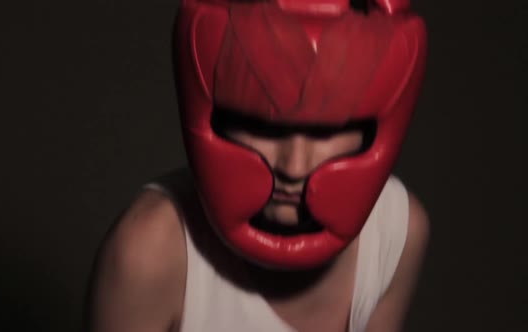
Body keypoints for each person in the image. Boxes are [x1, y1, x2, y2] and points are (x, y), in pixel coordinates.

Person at [88, 0, 430, 331]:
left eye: (327, 130)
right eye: (262, 126)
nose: (294, 167)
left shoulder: (394, 230)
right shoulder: (151, 250)